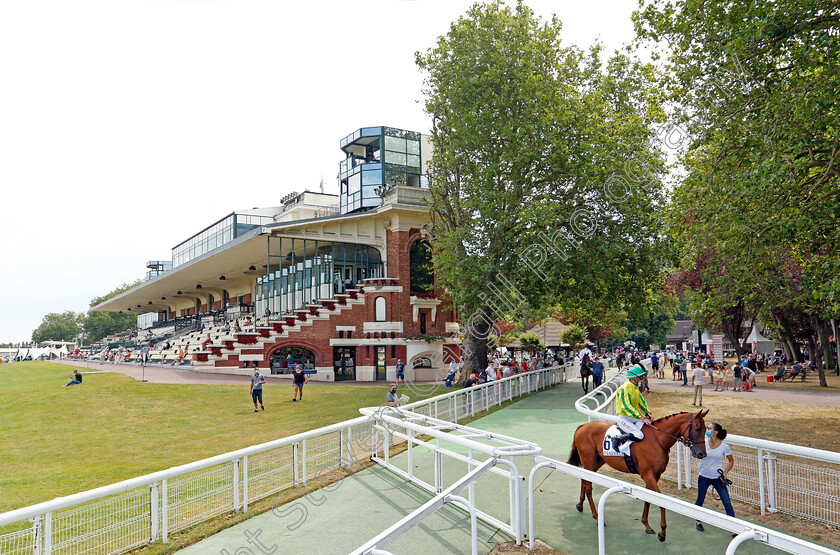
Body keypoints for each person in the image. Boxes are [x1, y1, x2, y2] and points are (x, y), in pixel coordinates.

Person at [695, 422, 736, 534]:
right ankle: (698, 521)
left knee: (727, 502)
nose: (707, 430)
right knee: (700, 498)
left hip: (718, 478)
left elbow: (731, 460)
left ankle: (734, 528)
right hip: (703, 476)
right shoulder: (703, 442)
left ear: (715, 432)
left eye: (709, 428)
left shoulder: (724, 446)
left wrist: (725, 473)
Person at [611, 365, 653, 451]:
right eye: (641, 376)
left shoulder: (635, 388)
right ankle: (617, 440)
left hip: (633, 418)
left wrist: (648, 413)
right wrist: (641, 417)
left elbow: (641, 402)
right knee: (639, 435)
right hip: (624, 419)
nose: (643, 378)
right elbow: (626, 407)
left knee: (648, 427)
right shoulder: (624, 388)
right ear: (634, 378)